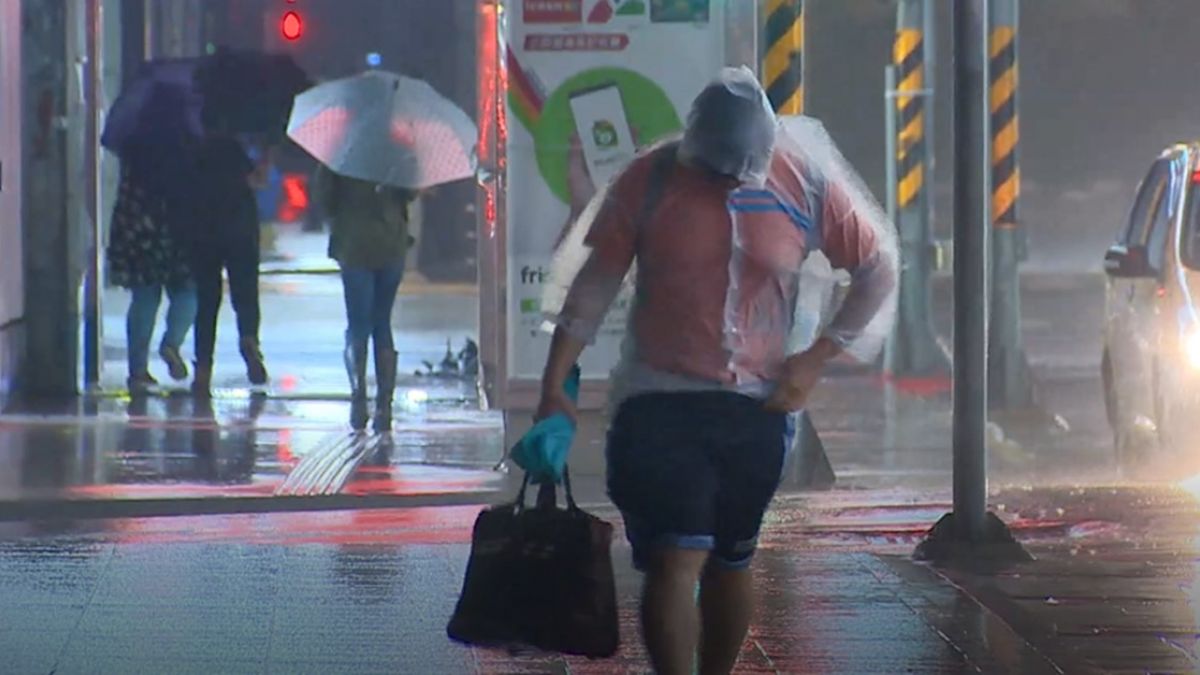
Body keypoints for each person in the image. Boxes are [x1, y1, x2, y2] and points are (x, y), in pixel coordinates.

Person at [536, 68, 897, 675]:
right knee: (675, 556)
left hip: (757, 407)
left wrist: (817, 357)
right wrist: (554, 383)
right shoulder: (649, 180)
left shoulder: (803, 182)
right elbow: (594, 286)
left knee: (732, 558)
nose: (726, 180)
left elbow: (875, 269)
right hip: (660, 400)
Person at [313, 165, 417, 432]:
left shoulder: (340, 153)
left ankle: (358, 397)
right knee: (382, 322)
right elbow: (411, 191)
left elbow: (324, 198)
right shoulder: (397, 150)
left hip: (353, 243)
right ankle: (385, 406)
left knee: (358, 323)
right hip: (391, 243)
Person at [182, 120, 270, 396]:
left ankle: (203, 372)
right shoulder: (236, 150)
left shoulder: (195, 152)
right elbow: (258, 180)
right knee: (245, 294)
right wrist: (266, 158)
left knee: (207, 303)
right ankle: (248, 339)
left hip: (204, 234)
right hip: (241, 232)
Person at [106, 142, 197, 394]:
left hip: (139, 223)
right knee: (188, 289)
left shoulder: (134, 142)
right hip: (178, 223)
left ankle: (137, 370)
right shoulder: (186, 139)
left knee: (144, 295)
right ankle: (172, 342)